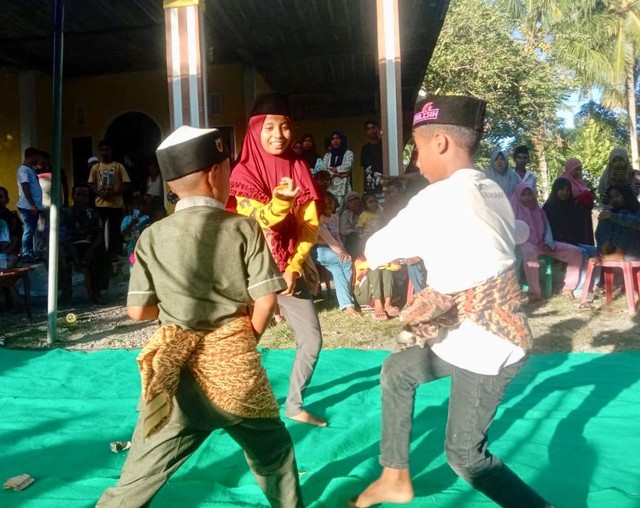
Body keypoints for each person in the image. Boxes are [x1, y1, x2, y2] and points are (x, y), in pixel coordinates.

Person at [352, 96, 552, 508]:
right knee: (397, 371)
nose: (417, 160)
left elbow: (376, 247)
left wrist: (402, 227)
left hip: (489, 343)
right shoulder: (490, 188)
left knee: (466, 456)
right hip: (463, 332)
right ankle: (394, 476)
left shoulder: (438, 198)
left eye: (417, 147)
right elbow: (512, 231)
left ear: (440, 142)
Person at [97, 125, 304, 508]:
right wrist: (240, 344)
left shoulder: (152, 236)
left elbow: (138, 310)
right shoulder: (242, 227)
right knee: (274, 455)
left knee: (137, 477)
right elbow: (266, 299)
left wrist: (178, 308)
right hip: (237, 378)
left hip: (177, 376)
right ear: (215, 174)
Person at [229, 92, 326, 427]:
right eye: (270, 127)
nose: (278, 135)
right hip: (249, 272)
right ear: (255, 130)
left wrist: (296, 264)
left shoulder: (298, 166)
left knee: (311, 340)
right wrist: (282, 199)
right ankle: (225, 403)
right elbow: (262, 221)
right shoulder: (242, 173)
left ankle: (293, 404)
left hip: (289, 270)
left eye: (285, 127)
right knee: (240, 342)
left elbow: (310, 224)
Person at [510, 183, 583, 301]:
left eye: (529, 194)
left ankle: (569, 287)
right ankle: (535, 292)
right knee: (529, 255)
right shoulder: (512, 212)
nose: (527, 197)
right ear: (518, 196)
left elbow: (547, 229)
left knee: (576, 252)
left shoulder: (539, 211)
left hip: (543, 244)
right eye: (523, 195)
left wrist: (548, 242)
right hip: (526, 244)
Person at [60, 184, 110, 304]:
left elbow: (99, 235)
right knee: (57, 256)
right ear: (73, 196)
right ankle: (65, 291)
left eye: (84, 195)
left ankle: (96, 292)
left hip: (88, 245)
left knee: (102, 255)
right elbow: (61, 234)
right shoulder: (65, 213)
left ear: (88, 198)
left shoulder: (93, 214)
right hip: (69, 245)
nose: (80, 197)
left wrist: (91, 249)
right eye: (78, 194)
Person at [313, 192, 361, 317]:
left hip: (334, 248)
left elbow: (337, 236)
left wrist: (342, 249)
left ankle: (347, 304)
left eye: (331, 202)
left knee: (337, 270)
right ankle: (351, 295)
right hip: (319, 250)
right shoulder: (318, 218)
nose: (329, 205)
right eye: (325, 203)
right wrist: (341, 252)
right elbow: (327, 237)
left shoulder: (335, 217)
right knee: (346, 261)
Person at [88, 139, 131, 261]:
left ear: (111, 151)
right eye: (102, 150)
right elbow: (91, 183)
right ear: (99, 151)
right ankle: (100, 251)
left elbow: (127, 183)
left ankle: (114, 253)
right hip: (100, 204)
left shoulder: (118, 166)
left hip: (115, 204)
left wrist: (114, 193)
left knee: (115, 229)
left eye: (107, 149)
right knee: (99, 228)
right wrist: (99, 193)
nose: (104, 152)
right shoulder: (95, 167)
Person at [595, 184, 640, 260]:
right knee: (606, 220)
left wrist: (613, 217)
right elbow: (598, 234)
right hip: (609, 252)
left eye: (617, 196)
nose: (614, 199)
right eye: (611, 198)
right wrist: (601, 221)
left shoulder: (637, 211)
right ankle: (604, 252)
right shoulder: (612, 212)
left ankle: (618, 253)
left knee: (623, 216)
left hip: (633, 252)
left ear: (626, 195)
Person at [16, 147, 44, 263]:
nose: (38, 159)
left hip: (32, 205)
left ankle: (30, 252)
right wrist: (32, 205)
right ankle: (26, 253)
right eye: (36, 156)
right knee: (29, 229)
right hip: (27, 206)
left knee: (31, 230)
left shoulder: (30, 169)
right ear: (31, 156)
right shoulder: (23, 170)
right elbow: (25, 187)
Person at [353, 256, 401, 321]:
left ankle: (387, 304)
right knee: (374, 268)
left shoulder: (385, 259)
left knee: (387, 270)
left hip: (381, 295)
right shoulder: (360, 260)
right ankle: (377, 305)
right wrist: (386, 263)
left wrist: (385, 263)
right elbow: (364, 265)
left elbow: (397, 267)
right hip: (364, 295)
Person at [560, 158, 595, 245]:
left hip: (583, 216)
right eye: (576, 170)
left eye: (580, 170)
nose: (578, 172)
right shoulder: (564, 180)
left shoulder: (580, 181)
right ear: (569, 169)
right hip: (572, 217)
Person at [322, 130, 354, 207]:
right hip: (330, 187)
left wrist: (333, 170)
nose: (335, 141)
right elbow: (324, 170)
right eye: (333, 139)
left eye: (337, 138)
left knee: (342, 209)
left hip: (343, 186)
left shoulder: (348, 153)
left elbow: (347, 167)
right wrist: (337, 174)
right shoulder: (327, 156)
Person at [360, 119, 384, 202]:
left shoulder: (384, 146)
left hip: (383, 186)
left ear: (378, 129)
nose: (371, 131)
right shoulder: (365, 149)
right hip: (370, 188)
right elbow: (365, 170)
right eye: (368, 129)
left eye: (373, 128)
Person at [0, 186, 23, 267]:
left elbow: (15, 241)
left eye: (0, 197)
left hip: (7, 255)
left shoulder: (11, 218)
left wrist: (3, 255)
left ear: (7, 200)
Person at [339, 191, 362, 258]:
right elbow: (343, 230)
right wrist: (356, 233)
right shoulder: (346, 214)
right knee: (352, 237)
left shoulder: (367, 210)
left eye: (355, 199)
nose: (354, 202)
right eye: (350, 201)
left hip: (367, 235)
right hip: (355, 239)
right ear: (347, 204)